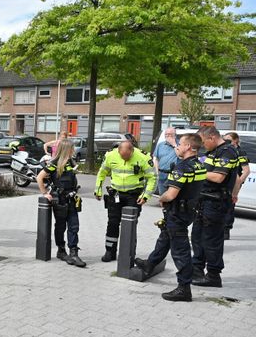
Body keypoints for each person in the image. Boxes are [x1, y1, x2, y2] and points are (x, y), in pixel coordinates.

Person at [135, 134, 206, 301]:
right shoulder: (200, 165)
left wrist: (161, 198)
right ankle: (150, 264)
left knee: (180, 251)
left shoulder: (182, 167)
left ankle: (184, 288)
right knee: (165, 237)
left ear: (188, 146)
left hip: (177, 213)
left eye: (180, 144)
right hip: (188, 211)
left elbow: (171, 194)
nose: (178, 147)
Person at [190, 126, 242, 287]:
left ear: (212, 137)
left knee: (211, 240)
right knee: (197, 236)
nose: (202, 145)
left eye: (203, 141)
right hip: (204, 201)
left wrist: (194, 171)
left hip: (215, 203)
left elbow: (219, 177)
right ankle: (196, 270)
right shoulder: (212, 152)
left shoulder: (227, 151)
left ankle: (213, 275)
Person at [95, 140, 157, 262]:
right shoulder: (110, 155)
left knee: (130, 225)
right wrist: (98, 189)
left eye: (128, 156)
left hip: (133, 196)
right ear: (118, 151)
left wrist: (145, 196)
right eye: (122, 156)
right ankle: (110, 251)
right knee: (112, 223)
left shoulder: (143, 157)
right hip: (116, 194)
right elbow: (102, 173)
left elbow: (152, 178)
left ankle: (129, 254)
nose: (125, 159)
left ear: (132, 151)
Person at [36, 139, 85, 267]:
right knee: (61, 226)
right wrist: (45, 193)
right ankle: (61, 251)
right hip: (60, 200)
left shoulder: (70, 162)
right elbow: (39, 177)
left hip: (71, 198)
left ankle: (74, 253)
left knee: (74, 226)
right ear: (66, 150)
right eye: (72, 149)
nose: (73, 151)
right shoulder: (54, 163)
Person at [223, 132, 250, 240]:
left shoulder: (240, 152)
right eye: (225, 140)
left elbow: (246, 171)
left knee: (229, 206)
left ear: (235, 140)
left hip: (233, 183)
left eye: (229, 140)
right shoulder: (225, 150)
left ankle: (226, 230)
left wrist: (238, 183)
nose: (226, 142)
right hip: (223, 182)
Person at [153, 127, 179, 196]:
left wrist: (174, 145)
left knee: (172, 197)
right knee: (162, 196)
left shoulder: (179, 145)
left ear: (175, 135)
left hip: (174, 175)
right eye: (166, 134)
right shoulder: (160, 145)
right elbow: (156, 159)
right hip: (162, 174)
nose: (168, 136)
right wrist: (156, 172)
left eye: (170, 134)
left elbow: (180, 155)